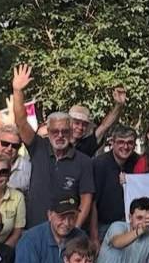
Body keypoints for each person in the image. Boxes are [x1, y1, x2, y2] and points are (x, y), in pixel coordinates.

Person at [10, 65, 95, 228]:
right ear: (48, 132)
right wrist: (18, 91)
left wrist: (75, 228)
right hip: (35, 229)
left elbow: (86, 199)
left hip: (66, 231)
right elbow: (21, 122)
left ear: (71, 132)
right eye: (55, 131)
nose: (60, 135)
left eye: (64, 131)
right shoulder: (38, 147)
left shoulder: (84, 162)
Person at [91, 125, 139, 243]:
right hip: (105, 227)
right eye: (121, 142)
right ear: (112, 142)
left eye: (130, 143)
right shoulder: (99, 164)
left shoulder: (138, 162)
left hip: (133, 226)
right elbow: (92, 202)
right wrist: (94, 237)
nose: (125, 147)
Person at [67, 87, 126, 157]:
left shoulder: (86, 145)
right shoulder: (57, 143)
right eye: (77, 123)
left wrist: (118, 105)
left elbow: (104, 126)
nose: (80, 127)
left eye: (84, 124)